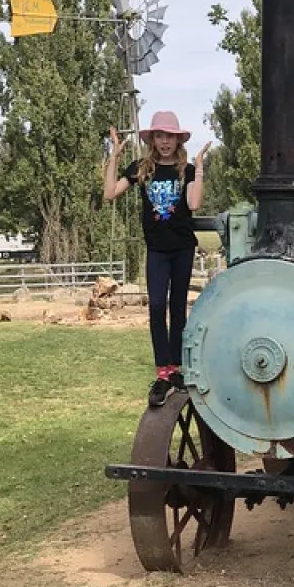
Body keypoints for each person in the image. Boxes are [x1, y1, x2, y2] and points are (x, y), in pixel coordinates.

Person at [104, 110, 210, 407]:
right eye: (160, 136)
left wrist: (199, 167)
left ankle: (176, 369)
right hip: (158, 250)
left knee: (178, 308)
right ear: (153, 140)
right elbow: (110, 193)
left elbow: (194, 203)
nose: (165, 142)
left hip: (182, 248)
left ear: (178, 140)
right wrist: (114, 157)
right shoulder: (141, 169)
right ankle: (162, 372)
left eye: (170, 137)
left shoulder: (186, 171)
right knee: (155, 307)